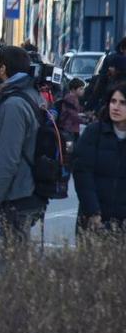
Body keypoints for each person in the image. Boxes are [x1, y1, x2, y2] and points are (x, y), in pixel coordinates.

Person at [0, 46, 47, 266]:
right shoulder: (30, 94)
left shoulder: (14, 104)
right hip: (28, 191)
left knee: (11, 267)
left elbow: (6, 160)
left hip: (16, 197)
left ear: (3, 69)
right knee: (20, 264)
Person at [73, 84, 126, 233]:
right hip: (93, 221)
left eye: (123, 103)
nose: (116, 107)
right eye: (113, 101)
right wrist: (93, 211)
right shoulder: (94, 133)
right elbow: (82, 173)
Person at [57, 78, 85, 148]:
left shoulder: (75, 98)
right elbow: (73, 114)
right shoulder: (70, 98)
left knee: (74, 147)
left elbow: (77, 110)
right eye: (81, 89)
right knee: (69, 149)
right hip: (68, 129)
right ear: (73, 89)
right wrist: (84, 121)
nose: (83, 91)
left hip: (73, 128)